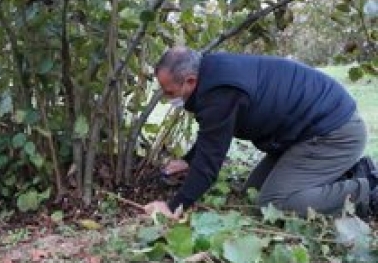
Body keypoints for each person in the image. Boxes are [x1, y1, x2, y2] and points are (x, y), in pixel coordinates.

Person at [144, 46, 378, 220]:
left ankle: (368, 191)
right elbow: (214, 133)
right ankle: (347, 173)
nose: (168, 97)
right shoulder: (212, 73)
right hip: (303, 133)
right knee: (252, 191)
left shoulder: (219, 93)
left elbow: (209, 165)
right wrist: (188, 161)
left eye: (169, 91)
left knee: (274, 203)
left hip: (335, 133)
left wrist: (173, 206)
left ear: (190, 80)